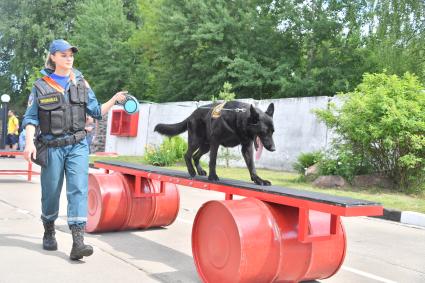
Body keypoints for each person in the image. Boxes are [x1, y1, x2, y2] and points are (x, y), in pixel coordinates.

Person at [22, 39, 126, 260]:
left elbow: (96, 111)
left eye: (71, 54)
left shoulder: (81, 82)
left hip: (78, 145)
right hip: (52, 147)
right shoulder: (41, 85)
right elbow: (31, 118)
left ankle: (78, 241)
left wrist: (115, 100)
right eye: (64, 54)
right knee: (50, 192)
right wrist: (30, 142)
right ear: (53, 57)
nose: (69, 58)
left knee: (78, 189)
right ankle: (49, 229)